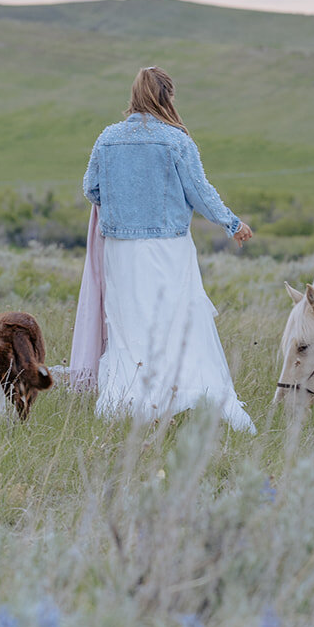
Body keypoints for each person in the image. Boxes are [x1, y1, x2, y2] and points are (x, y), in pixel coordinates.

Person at [79, 66, 255, 431]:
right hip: (168, 246)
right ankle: (184, 394)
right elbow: (200, 192)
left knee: (128, 323)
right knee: (177, 320)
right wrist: (232, 223)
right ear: (167, 97)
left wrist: (122, 204)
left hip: (120, 249)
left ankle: (128, 398)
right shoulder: (176, 141)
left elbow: (90, 188)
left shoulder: (108, 138)